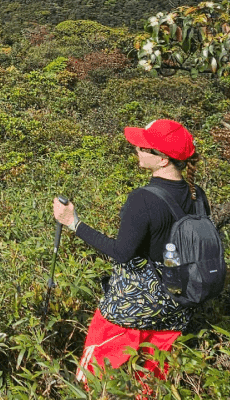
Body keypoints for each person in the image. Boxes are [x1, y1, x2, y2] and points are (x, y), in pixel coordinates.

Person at [51, 118, 207, 389]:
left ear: (163, 160)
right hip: (176, 307)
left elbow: (121, 253)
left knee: (95, 382)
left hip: (131, 308)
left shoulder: (143, 199)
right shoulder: (197, 195)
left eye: (145, 148)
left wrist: (73, 223)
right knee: (150, 386)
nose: (137, 150)